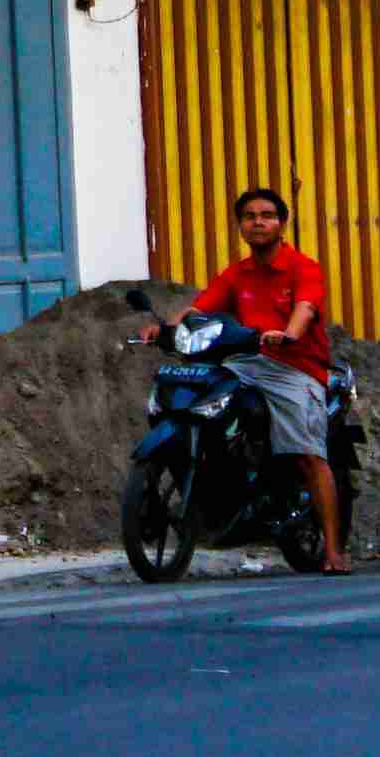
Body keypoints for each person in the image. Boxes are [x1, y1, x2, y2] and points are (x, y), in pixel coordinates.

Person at [148, 185, 349, 574]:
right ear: (240, 225)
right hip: (244, 363)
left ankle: (335, 551)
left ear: (282, 223)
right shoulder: (237, 273)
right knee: (197, 397)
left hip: (294, 368)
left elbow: (306, 306)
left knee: (308, 455)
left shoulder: (302, 267)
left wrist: (289, 332)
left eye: (267, 216)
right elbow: (200, 307)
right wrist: (165, 329)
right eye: (250, 216)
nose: (258, 222)